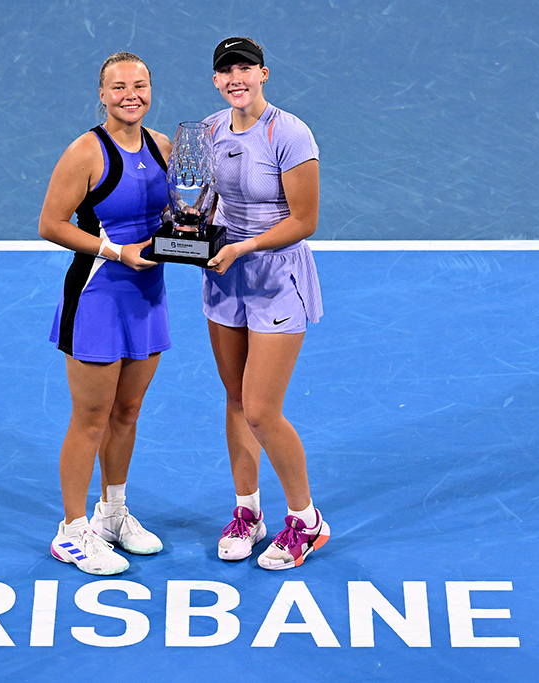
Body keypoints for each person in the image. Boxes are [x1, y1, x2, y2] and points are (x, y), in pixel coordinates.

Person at [38, 52, 172, 576]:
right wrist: (116, 252)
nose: (130, 95)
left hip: (148, 296)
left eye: (139, 85)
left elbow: (176, 215)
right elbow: (51, 224)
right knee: (91, 418)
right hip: (96, 296)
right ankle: (72, 532)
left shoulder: (164, 147)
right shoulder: (85, 151)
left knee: (127, 412)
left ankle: (112, 514)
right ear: (102, 94)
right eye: (118, 87)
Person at [202, 37, 329, 570]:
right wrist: (193, 231)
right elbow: (206, 199)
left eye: (245, 68)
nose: (236, 77)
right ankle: (248, 512)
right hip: (225, 276)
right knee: (235, 398)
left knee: (261, 409)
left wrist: (245, 246)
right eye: (226, 70)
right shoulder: (208, 130)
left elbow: (304, 221)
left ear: (264, 74)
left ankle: (306, 520)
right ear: (216, 80)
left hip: (274, 277)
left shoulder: (289, 132)